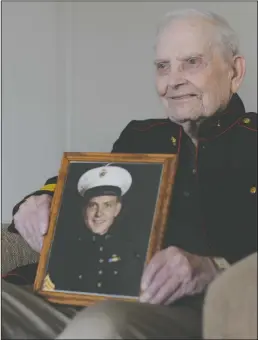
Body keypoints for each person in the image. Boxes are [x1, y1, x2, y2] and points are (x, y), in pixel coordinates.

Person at [2, 8, 257, 339]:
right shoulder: (140, 136)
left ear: (235, 71)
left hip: (192, 312)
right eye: (163, 66)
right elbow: (85, 188)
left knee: (102, 325)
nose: (173, 80)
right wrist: (37, 202)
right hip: (79, 298)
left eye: (192, 62)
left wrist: (215, 268)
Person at [43, 165, 144, 297]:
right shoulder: (63, 250)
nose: (98, 214)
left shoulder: (132, 250)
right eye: (92, 205)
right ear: (84, 210)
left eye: (107, 205)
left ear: (117, 209)